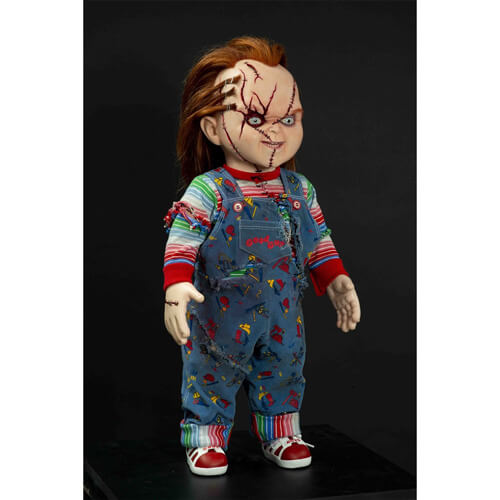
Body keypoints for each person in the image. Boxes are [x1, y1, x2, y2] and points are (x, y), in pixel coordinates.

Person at [163, 36, 361, 477]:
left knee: (284, 369)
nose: (275, 131)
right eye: (255, 118)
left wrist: (336, 280)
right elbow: (182, 240)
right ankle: (205, 438)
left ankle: (281, 434)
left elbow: (318, 240)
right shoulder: (209, 190)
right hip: (218, 315)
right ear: (213, 129)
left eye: (288, 118)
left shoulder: (300, 190)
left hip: (283, 314)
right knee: (209, 373)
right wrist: (176, 287)